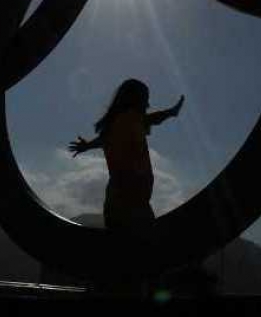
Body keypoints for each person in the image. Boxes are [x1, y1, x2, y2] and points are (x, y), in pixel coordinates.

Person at [68, 78, 184, 235]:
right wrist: (171, 112)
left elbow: (105, 139)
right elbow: (152, 118)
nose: (148, 104)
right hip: (127, 203)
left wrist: (87, 146)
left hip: (128, 201)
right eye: (145, 99)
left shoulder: (123, 122)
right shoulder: (130, 119)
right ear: (135, 99)